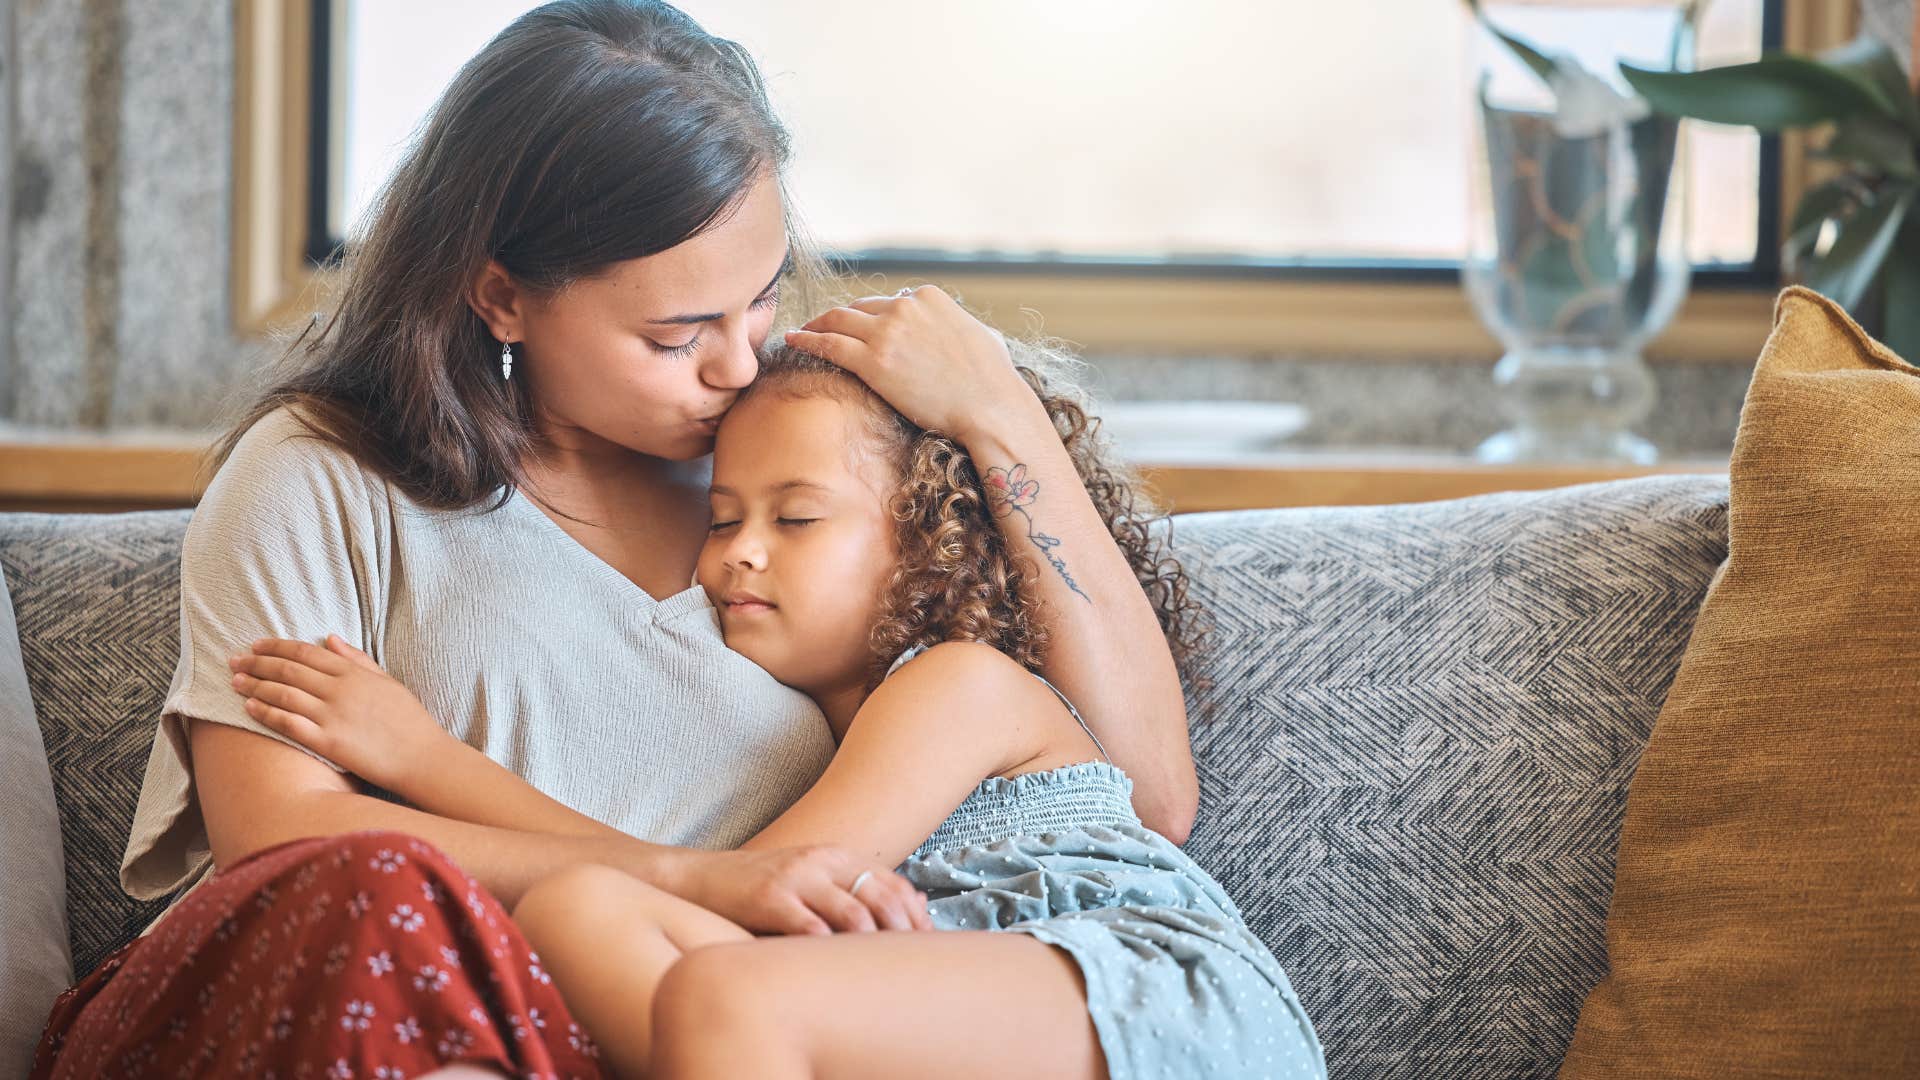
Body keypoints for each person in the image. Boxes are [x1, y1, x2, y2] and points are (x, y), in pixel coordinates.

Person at [29, 2, 1195, 1077]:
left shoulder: (806, 470)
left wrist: (1003, 421)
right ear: (501, 297)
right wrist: (700, 879)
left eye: (761, 298)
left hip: (707, 1019)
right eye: (678, 332)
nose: (740, 362)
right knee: (383, 897)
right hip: (395, 987)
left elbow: (1139, 797)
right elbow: (279, 839)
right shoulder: (320, 477)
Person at [230, 342, 1329, 1079]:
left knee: (727, 996)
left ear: (928, 536)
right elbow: (689, 888)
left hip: (1145, 995)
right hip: (940, 995)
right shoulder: (825, 734)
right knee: (577, 916)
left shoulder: (956, 683)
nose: (739, 551)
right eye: (722, 517)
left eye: (798, 519)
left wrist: (425, 759)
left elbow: (759, 903)